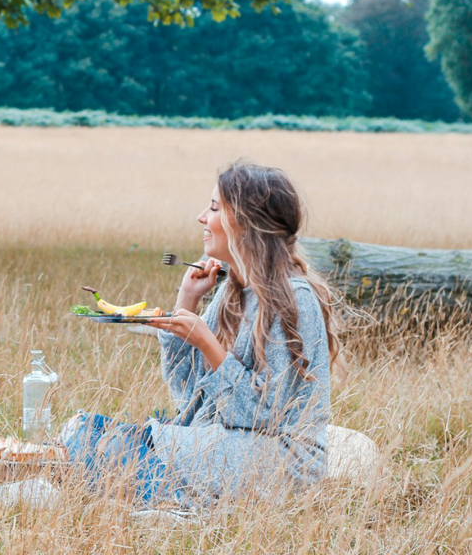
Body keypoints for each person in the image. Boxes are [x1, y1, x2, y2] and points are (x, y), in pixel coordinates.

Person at [62, 161, 341, 505]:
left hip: (278, 460)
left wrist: (208, 344)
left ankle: (172, 503)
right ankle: (160, 495)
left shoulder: (295, 299)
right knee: (84, 429)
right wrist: (188, 300)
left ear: (244, 222)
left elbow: (265, 415)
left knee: (112, 448)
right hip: (227, 442)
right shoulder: (231, 291)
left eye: (213, 208)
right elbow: (187, 392)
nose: (201, 217)